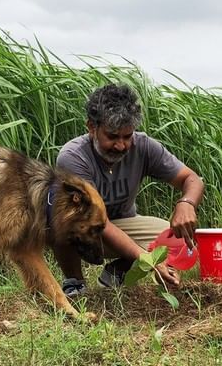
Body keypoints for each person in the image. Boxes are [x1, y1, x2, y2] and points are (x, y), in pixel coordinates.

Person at [55, 83, 205, 296]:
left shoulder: (143, 146)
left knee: (178, 238)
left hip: (124, 224)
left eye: (127, 136)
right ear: (91, 127)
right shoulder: (73, 158)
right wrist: (149, 261)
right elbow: (101, 223)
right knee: (60, 224)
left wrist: (186, 203)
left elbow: (192, 179)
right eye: (112, 137)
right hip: (85, 229)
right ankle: (75, 283)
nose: (121, 146)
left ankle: (119, 271)